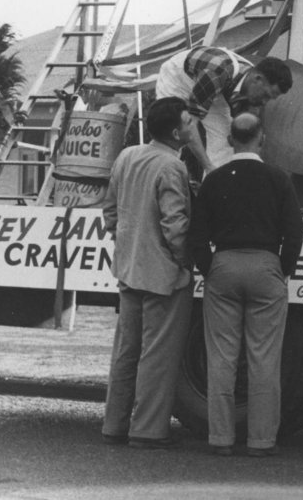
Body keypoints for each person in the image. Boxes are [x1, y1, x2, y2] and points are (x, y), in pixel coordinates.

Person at [188, 112, 303, 457]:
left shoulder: (216, 179)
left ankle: (220, 438)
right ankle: (261, 440)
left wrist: (209, 267)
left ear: (228, 139)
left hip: (223, 265)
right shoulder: (278, 178)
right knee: (264, 359)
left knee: (222, 358)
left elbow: (197, 234)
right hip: (266, 265)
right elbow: (294, 230)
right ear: (262, 138)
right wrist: (282, 268)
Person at [101, 97, 195, 450]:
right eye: (188, 121)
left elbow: (110, 210)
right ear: (175, 132)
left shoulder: (128, 156)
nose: (192, 125)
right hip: (163, 274)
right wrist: (185, 261)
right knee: (157, 354)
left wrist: (123, 240)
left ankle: (114, 423)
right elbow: (175, 223)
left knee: (126, 350)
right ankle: (147, 429)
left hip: (128, 266)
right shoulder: (172, 166)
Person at [156, 46, 293, 177]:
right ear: (257, 79)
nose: (264, 102)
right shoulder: (218, 72)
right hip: (178, 80)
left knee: (225, 141)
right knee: (176, 134)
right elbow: (190, 124)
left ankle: (218, 192)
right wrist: (208, 166)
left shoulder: (252, 84)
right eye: (266, 95)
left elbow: (244, 135)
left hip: (213, 87)